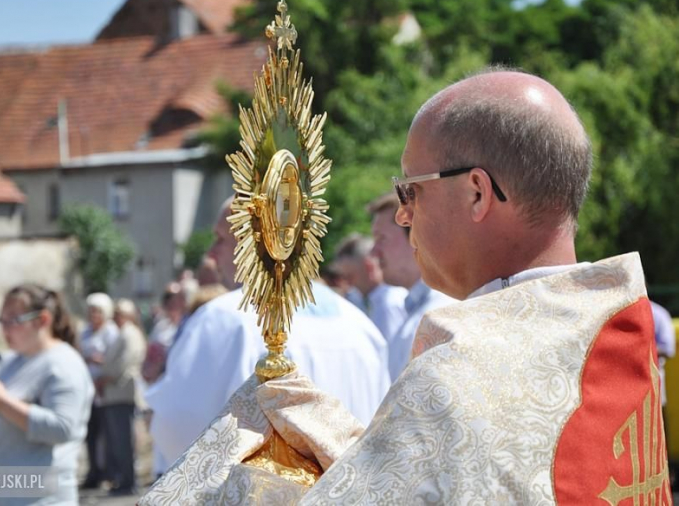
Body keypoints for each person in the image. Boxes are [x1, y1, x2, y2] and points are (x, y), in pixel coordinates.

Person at [141, 69, 671, 504]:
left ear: (477, 194)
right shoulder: (619, 330)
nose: (401, 214)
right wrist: (352, 443)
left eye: (410, 189)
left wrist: (243, 466)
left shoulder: (460, 373)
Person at [142, 197, 390, 478]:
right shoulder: (358, 322)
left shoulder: (224, 318)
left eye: (221, 239)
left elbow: (179, 424)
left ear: (253, 241)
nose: (212, 253)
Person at [0, 284, 93, 505]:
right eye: (1, 320)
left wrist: (2, 403)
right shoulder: (10, 361)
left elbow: (62, 429)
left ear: (42, 320)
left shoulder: (64, 364)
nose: (4, 329)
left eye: (13, 320)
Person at [368, 192, 456, 381]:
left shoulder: (438, 314)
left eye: (381, 238)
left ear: (415, 235)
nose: (373, 251)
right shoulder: (423, 311)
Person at [98, 299, 147, 496]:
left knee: (123, 440)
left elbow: (122, 366)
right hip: (116, 392)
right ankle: (123, 479)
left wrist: (102, 380)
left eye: (119, 312)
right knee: (118, 440)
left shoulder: (130, 333)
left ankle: (128, 482)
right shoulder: (123, 333)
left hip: (122, 392)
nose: (115, 316)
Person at [334, 233, 408, 346]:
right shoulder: (376, 301)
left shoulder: (387, 304)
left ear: (369, 267)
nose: (347, 286)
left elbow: (390, 357)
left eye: (350, 277)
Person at [78, 292, 119, 489]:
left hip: (105, 389)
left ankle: (108, 472)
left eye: (96, 311)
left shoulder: (111, 332)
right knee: (91, 434)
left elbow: (113, 360)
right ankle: (93, 471)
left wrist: (97, 360)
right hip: (88, 391)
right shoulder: (85, 332)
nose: (93, 315)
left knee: (107, 434)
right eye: (90, 311)